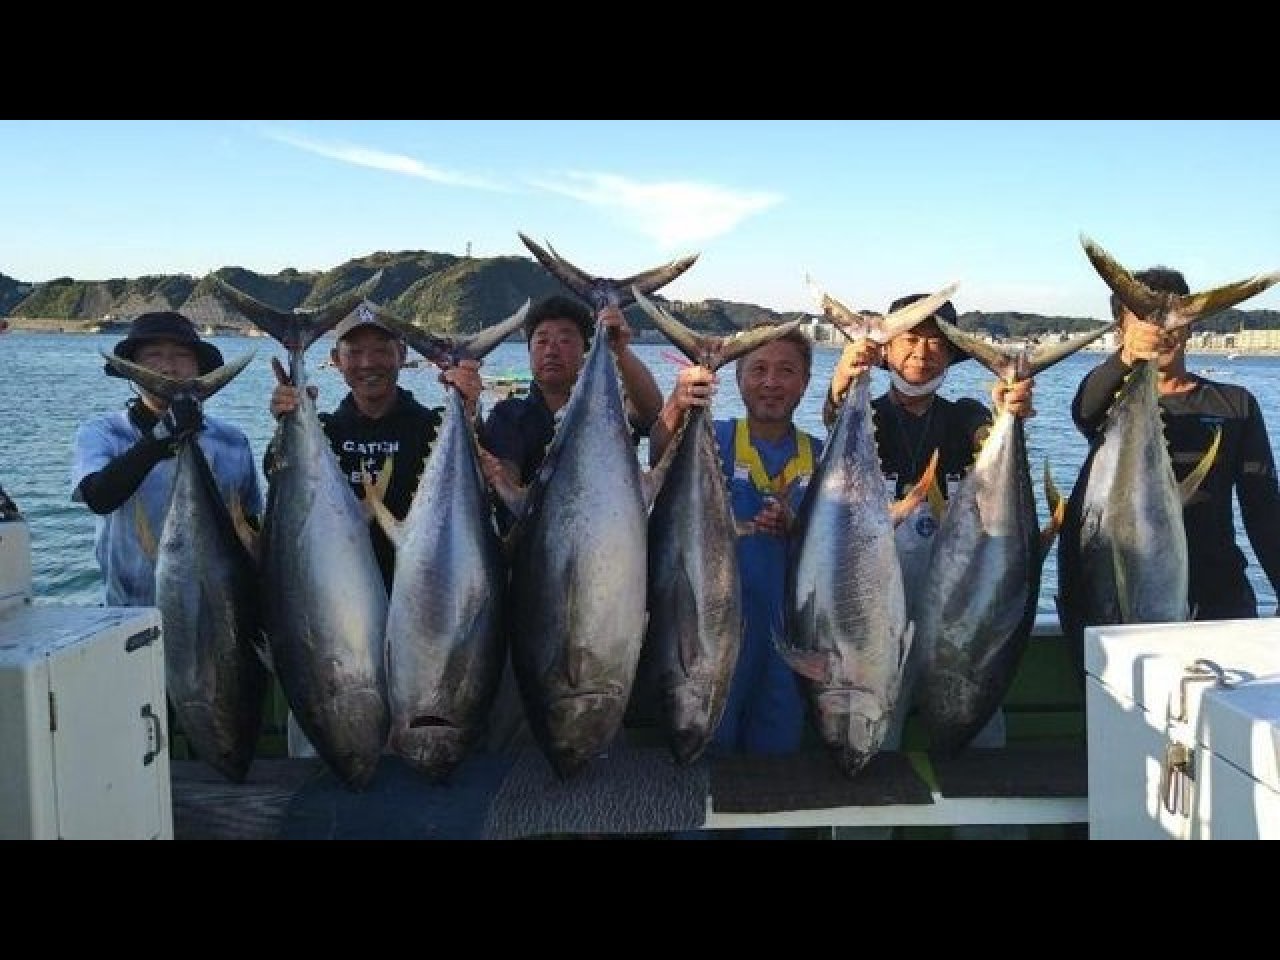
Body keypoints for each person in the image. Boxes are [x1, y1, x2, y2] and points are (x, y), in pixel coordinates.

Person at [650, 324, 822, 757]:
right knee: (705, 749)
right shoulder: (718, 436)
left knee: (775, 758)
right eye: (758, 369)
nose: (770, 382)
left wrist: (795, 525)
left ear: (804, 383)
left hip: (789, 644)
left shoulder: (822, 455)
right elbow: (659, 454)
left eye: (786, 371)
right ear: (740, 379)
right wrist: (678, 403)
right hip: (708, 629)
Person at [1070, 266, 1280, 621]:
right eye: (1141, 322)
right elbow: (1084, 411)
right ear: (1121, 331)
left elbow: (1263, 507)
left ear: (1190, 325)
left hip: (1219, 598)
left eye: (1172, 321)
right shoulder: (1109, 403)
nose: (1161, 332)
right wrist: (1126, 360)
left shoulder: (1235, 404)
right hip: (1127, 589)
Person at [268, 302, 484, 590]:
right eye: (354, 352)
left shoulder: (432, 427)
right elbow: (275, 476)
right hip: (336, 602)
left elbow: (482, 477)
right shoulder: (324, 431)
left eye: (381, 350)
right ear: (336, 359)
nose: (368, 363)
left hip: (425, 600)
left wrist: (470, 409)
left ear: (402, 354)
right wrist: (286, 425)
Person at [70, 312, 263, 608]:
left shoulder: (232, 440)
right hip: (129, 619)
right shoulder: (103, 432)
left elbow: (250, 526)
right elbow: (98, 497)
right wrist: (162, 436)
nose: (168, 367)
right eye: (153, 355)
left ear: (199, 366)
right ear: (133, 367)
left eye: (182, 355)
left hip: (221, 615)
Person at [479, 293, 663, 528]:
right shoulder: (508, 414)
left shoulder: (611, 412)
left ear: (585, 351)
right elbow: (505, 484)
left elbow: (651, 414)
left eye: (565, 341)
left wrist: (620, 351)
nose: (551, 351)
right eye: (541, 341)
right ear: (529, 351)